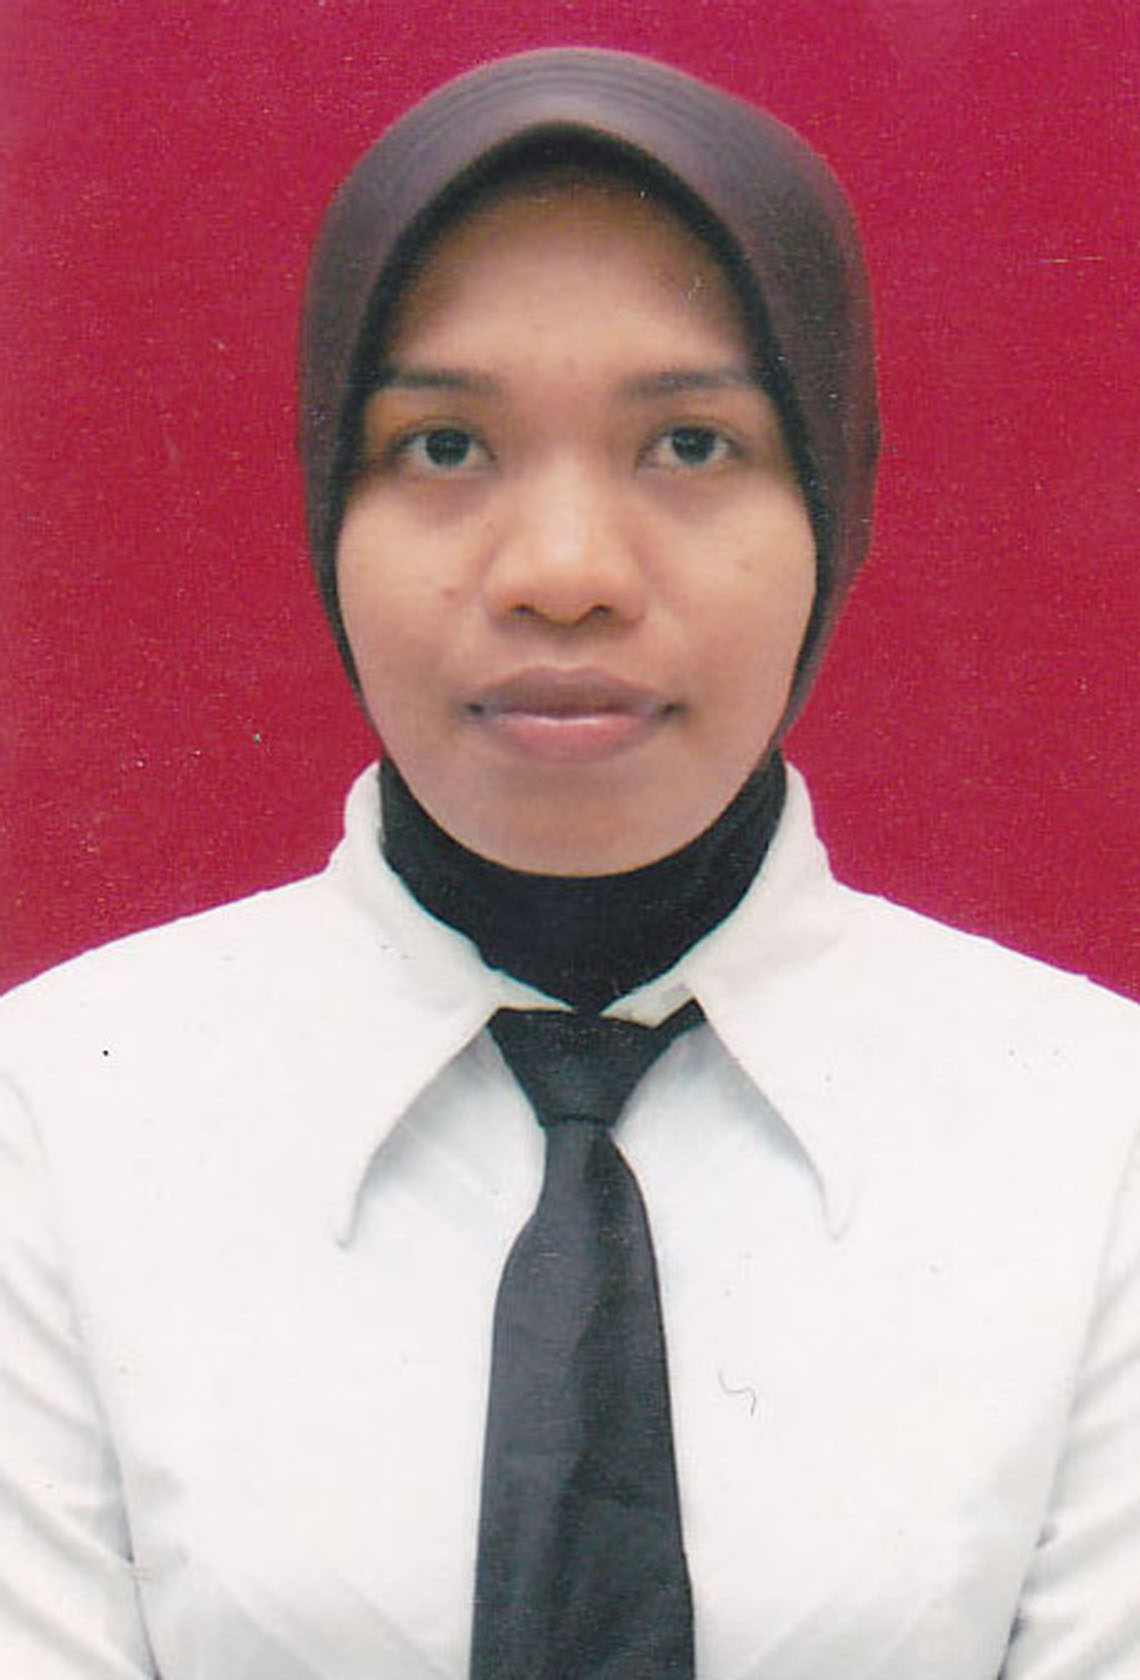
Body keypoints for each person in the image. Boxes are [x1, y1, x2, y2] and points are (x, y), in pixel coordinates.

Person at [2, 46, 1138, 1680]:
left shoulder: (1097, 1137)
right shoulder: (51, 1120)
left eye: (692, 445)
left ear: (836, 500)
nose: (562, 573)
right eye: (442, 448)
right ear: (330, 507)